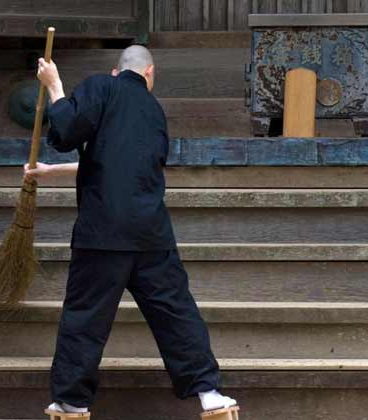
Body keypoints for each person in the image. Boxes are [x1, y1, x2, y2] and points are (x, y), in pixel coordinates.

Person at [26, 45, 238, 415]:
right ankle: (210, 394)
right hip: (150, 233)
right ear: (150, 73)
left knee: (86, 317)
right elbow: (120, 166)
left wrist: (55, 84)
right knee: (176, 314)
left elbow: (67, 130)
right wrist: (51, 172)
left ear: (115, 71)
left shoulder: (103, 88)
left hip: (103, 231)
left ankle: (72, 403)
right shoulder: (154, 112)